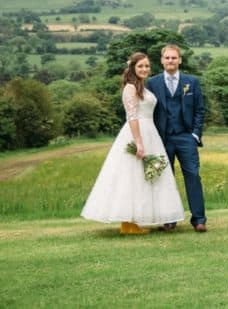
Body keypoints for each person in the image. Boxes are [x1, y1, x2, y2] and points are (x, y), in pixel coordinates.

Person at [81, 52, 184, 234]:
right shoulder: (130, 88)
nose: (144, 69)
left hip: (150, 132)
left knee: (143, 178)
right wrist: (139, 142)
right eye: (140, 66)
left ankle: (134, 221)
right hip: (137, 133)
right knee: (130, 177)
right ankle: (127, 223)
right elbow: (132, 116)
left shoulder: (142, 87)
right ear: (132, 68)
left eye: (146, 66)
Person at [147, 44, 207, 232]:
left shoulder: (192, 82)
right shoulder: (152, 83)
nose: (170, 61)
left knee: (193, 176)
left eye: (174, 58)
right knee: (166, 180)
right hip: (162, 139)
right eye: (167, 58)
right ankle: (169, 219)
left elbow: (199, 110)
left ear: (179, 60)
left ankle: (199, 220)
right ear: (162, 60)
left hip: (186, 137)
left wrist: (195, 135)